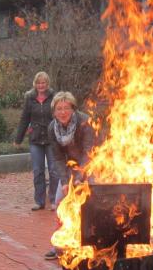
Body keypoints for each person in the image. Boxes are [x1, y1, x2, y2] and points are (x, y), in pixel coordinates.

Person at [46, 91, 95, 259]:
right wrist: (66, 181)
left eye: (66, 108)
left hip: (92, 164)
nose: (63, 112)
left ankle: (91, 244)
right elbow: (58, 158)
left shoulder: (84, 122)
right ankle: (60, 244)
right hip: (70, 167)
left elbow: (88, 152)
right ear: (54, 112)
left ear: (73, 109)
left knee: (89, 204)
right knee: (60, 201)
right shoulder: (52, 128)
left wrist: (80, 179)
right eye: (59, 109)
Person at [13, 72, 58, 211]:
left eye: (43, 83)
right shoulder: (29, 98)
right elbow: (24, 119)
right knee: (38, 171)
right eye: (38, 83)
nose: (41, 85)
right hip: (35, 139)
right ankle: (39, 201)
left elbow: (60, 115)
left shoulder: (54, 97)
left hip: (51, 139)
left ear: (47, 83)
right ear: (35, 84)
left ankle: (54, 200)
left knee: (54, 171)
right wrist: (18, 139)